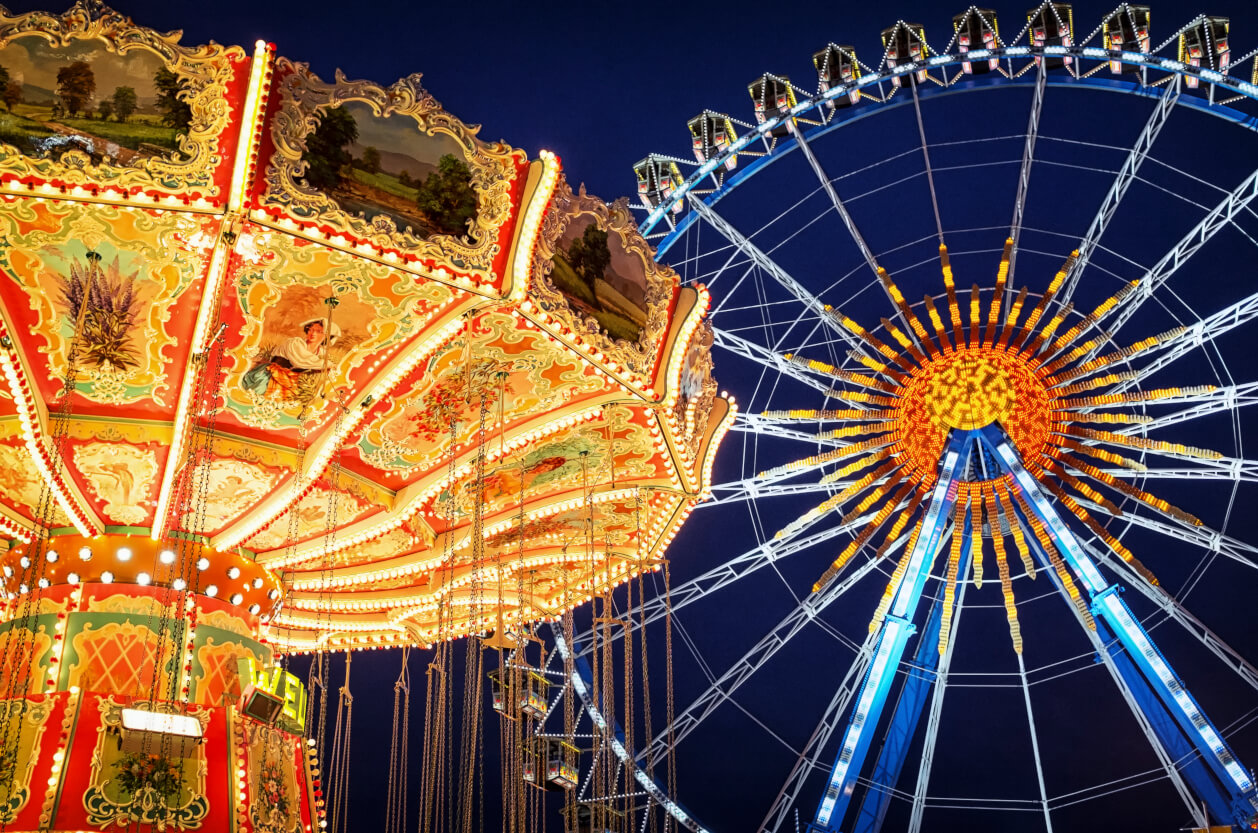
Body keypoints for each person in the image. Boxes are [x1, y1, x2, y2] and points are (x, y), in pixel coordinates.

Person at [243, 318, 341, 401]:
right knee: (258, 396)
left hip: (292, 382)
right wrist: (328, 364)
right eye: (311, 329)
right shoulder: (295, 343)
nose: (313, 333)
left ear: (327, 336)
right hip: (271, 375)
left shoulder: (321, 353)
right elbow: (301, 360)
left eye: (319, 331)